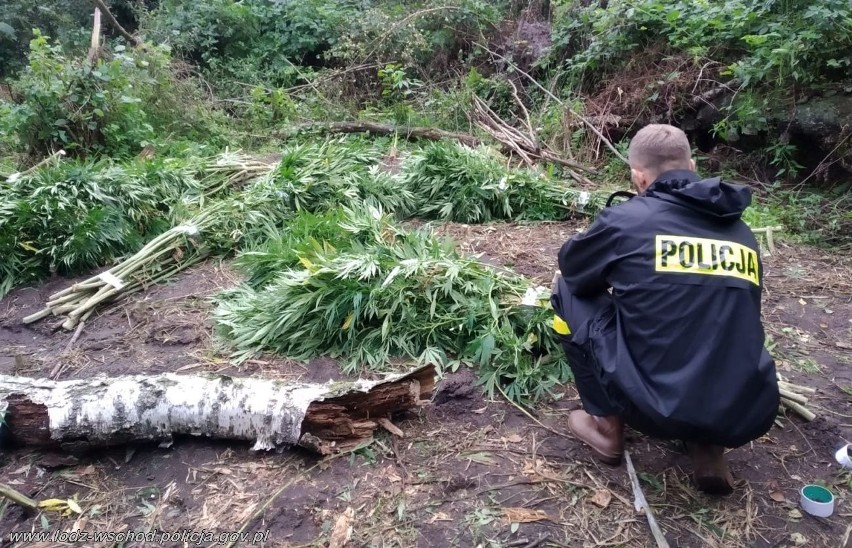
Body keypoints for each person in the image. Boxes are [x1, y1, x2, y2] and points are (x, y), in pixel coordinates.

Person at [550, 124, 779, 495]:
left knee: (566, 290)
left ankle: (607, 428)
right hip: (743, 408)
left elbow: (575, 271)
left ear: (638, 178)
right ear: (690, 165)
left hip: (653, 406)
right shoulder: (741, 233)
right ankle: (708, 444)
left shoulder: (628, 221)